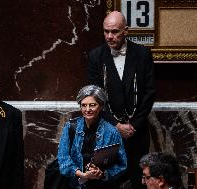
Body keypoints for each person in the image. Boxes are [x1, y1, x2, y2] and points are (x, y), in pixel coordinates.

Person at [88, 11, 155, 189]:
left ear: (126, 31)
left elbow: (149, 93)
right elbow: (95, 96)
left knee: (138, 180)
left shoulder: (142, 54)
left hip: (137, 132)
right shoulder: (95, 56)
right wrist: (116, 126)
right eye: (106, 31)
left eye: (115, 31)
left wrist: (134, 125)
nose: (109, 36)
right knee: (109, 180)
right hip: (108, 130)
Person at [57, 85, 127, 188]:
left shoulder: (112, 132)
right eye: (84, 105)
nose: (87, 109)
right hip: (74, 185)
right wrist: (82, 174)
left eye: (92, 105)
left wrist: (102, 173)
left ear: (101, 106)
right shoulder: (70, 127)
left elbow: (122, 165)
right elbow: (63, 159)